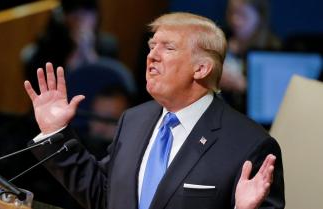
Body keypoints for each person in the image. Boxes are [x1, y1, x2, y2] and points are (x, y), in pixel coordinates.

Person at [24, 12, 284, 209]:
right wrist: (54, 132)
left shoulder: (250, 145)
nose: (152, 56)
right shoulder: (133, 120)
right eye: (152, 46)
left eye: (168, 48)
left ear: (201, 69)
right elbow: (105, 195)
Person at [220, 0, 281, 111]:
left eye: (243, 15)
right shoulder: (219, 39)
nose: (235, 20)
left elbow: (275, 96)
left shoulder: (273, 49)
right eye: (231, 12)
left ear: (260, 17)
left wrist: (242, 86)